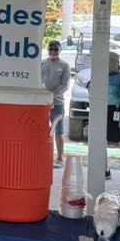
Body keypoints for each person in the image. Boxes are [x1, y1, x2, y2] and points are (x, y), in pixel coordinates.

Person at [89, 51, 120, 179]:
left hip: (116, 111)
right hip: (100, 110)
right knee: (100, 140)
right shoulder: (98, 76)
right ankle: (105, 169)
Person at [41, 40, 71, 168]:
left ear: (60, 50)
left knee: (58, 131)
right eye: (51, 49)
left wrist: (52, 95)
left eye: (56, 49)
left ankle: (59, 157)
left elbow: (65, 85)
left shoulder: (64, 65)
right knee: (41, 130)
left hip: (57, 103)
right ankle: (43, 155)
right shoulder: (42, 63)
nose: (53, 51)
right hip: (41, 103)